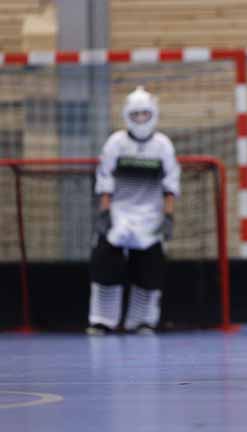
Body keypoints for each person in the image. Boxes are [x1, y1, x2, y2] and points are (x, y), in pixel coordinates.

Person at [87, 86, 180, 335]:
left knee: (150, 270)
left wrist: (168, 217)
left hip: (151, 217)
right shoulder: (115, 143)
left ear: (153, 114)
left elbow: (170, 185)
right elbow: (105, 180)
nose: (140, 119)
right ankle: (102, 320)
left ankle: (142, 321)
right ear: (127, 115)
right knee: (105, 264)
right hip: (118, 215)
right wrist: (104, 214)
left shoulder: (163, 145)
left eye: (145, 114)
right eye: (135, 114)